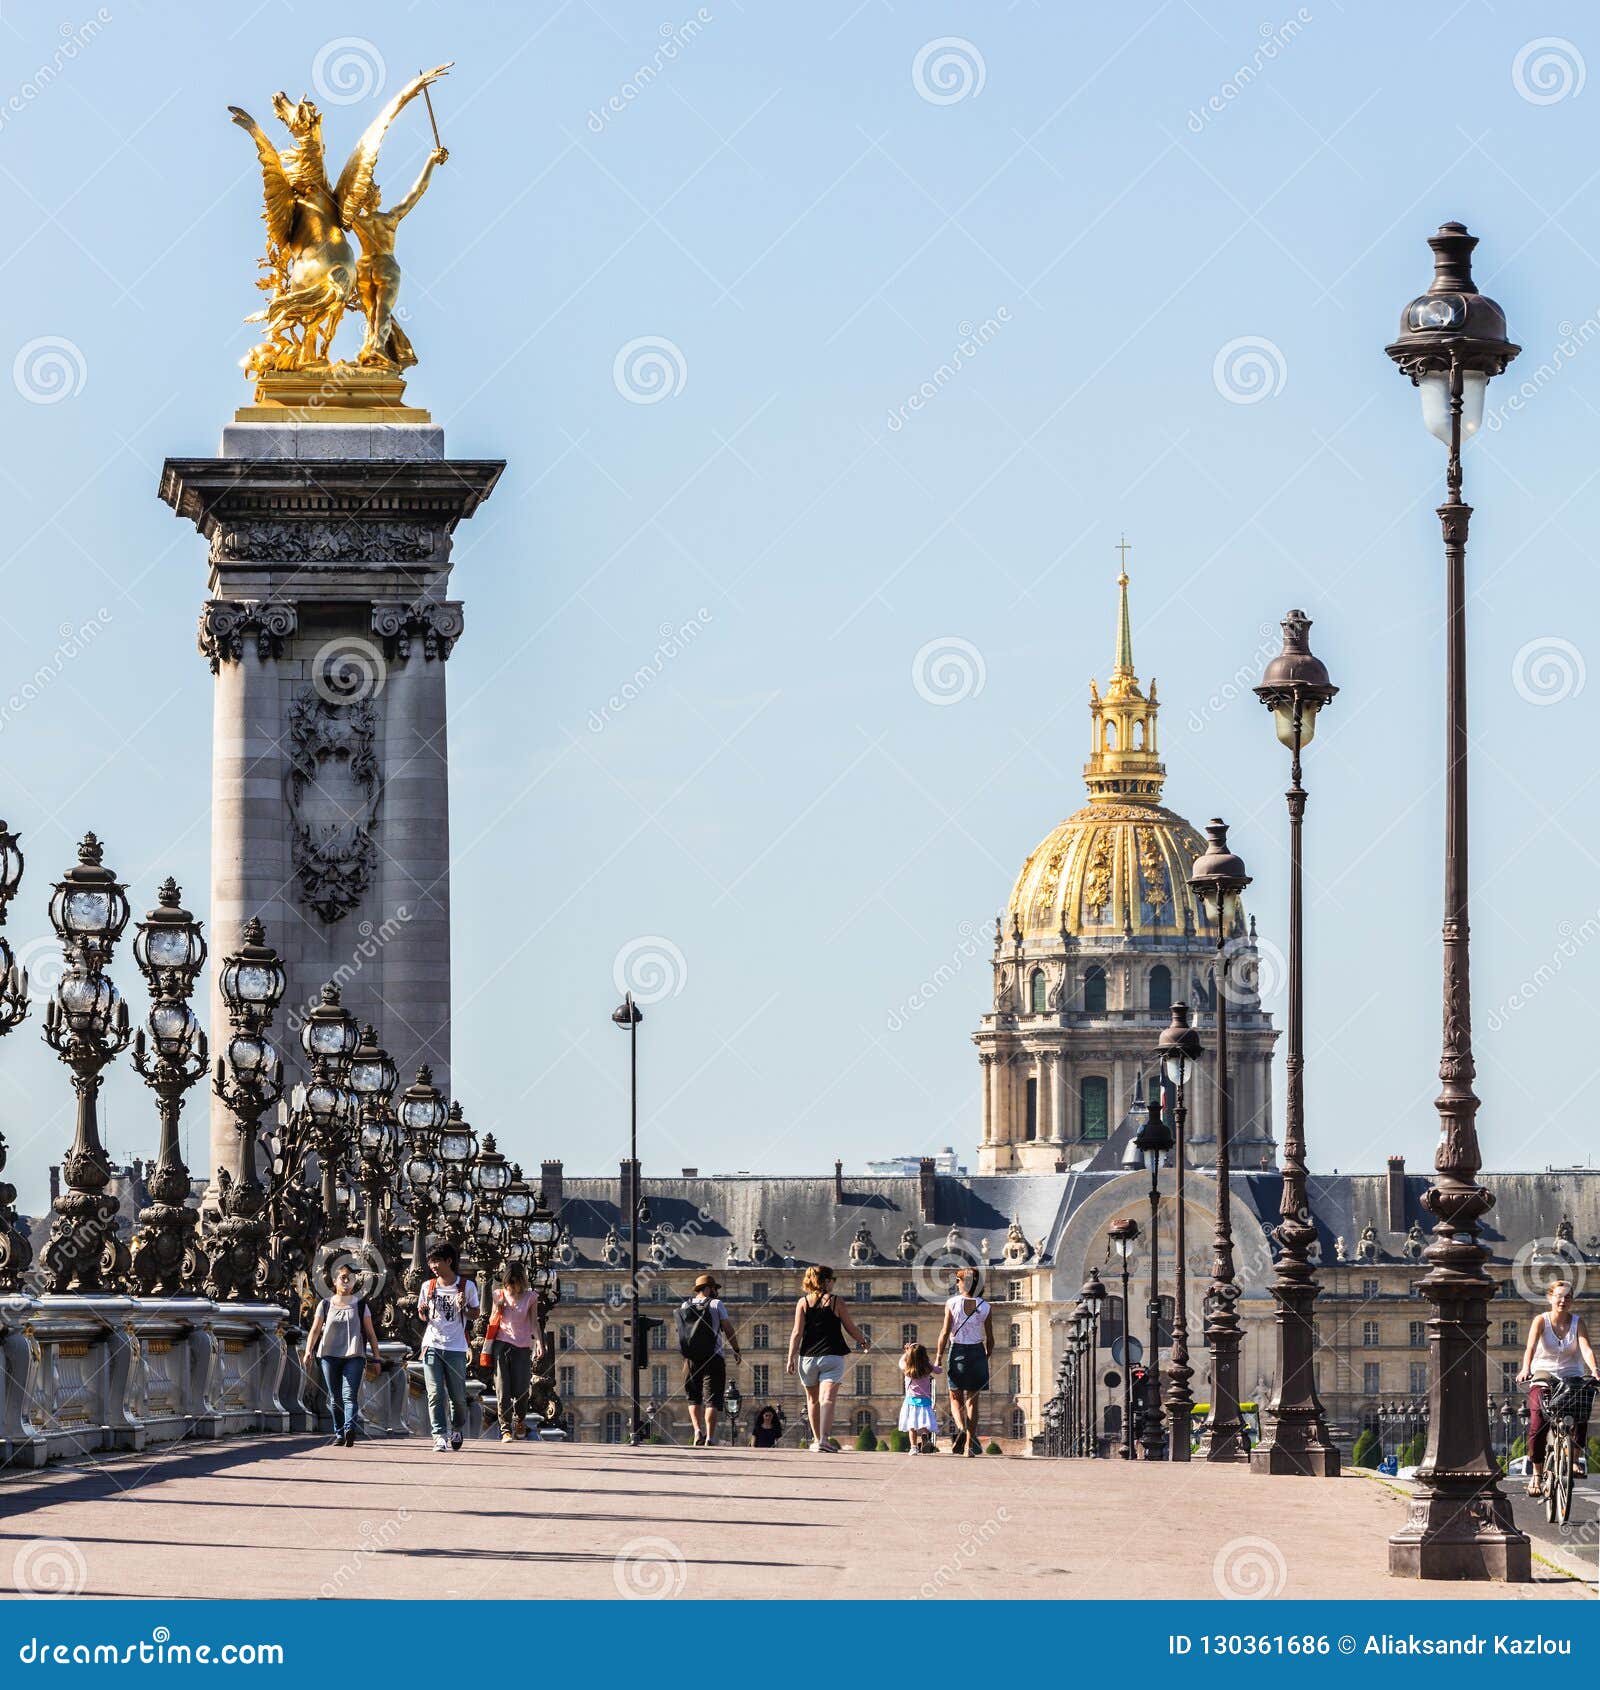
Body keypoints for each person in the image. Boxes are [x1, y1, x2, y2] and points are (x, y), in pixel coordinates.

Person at [1516, 1278, 1599, 1498]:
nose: (1563, 1300)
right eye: (1559, 1296)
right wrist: (1526, 1368)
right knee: (1537, 1422)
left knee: (1582, 1406)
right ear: (1550, 1298)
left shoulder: (1577, 1322)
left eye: (1568, 1297)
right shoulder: (1540, 1320)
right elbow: (1530, 1347)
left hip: (1570, 1373)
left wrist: (1595, 1370)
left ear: (1571, 1301)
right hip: (1543, 1373)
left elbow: (1586, 1349)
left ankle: (1574, 1458)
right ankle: (1536, 1473)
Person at [785, 1265, 869, 1453]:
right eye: (832, 1280)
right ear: (826, 1281)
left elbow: (797, 1332)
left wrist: (791, 1357)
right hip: (832, 1356)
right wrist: (863, 1342)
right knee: (828, 1399)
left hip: (807, 1358)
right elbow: (850, 1327)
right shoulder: (836, 1301)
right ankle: (824, 1439)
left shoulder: (803, 1303)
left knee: (812, 1400)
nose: (833, 1284)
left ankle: (816, 1441)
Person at [302, 1261, 381, 1447]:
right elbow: (315, 1330)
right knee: (335, 1397)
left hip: (354, 1356)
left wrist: (376, 1357)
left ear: (354, 1282)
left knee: (349, 1395)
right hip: (329, 1356)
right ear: (335, 1282)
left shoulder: (361, 1306)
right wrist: (308, 1351)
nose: (346, 1280)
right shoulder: (325, 1304)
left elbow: (370, 1334)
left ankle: (348, 1429)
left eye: (350, 1278)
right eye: (342, 1277)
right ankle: (339, 1433)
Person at [417, 1241, 480, 1452]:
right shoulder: (428, 1286)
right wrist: (423, 1311)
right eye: (430, 1261)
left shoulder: (466, 1286)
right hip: (432, 1344)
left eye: (436, 1261)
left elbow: (476, 1314)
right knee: (435, 1393)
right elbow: (422, 1315)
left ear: (449, 1261)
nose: (433, 1265)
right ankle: (439, 1435)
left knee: (458, 1398)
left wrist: (464, 1307)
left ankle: (457, 1428)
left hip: (456, 1347)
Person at [675, 1272, 741, 1447]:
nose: (716, 1291)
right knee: (712, 1399)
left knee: (693, 1398)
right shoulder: (716, 1304)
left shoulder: (685, 1304)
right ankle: (710, 1438)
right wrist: (736, 1349)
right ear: (708, 1289)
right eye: (714, 1288)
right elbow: (728, 1328)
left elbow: (681, 1332)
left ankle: (697, 1432)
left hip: (690, 1359)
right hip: (714, 1357)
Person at [934, 1266, 993, 1458]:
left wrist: (938, 1357)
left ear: (964, 1283)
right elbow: (990, 1338)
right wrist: (986, 1355)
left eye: (958, 1281)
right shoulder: (985, 1306)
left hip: (957, 1350)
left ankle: (960, 1428)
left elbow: (944, 1332)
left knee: (955, 1398)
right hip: (977, 1352)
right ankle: (969, 1445)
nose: (957, 1284)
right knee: (972, 1402)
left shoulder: (952, 1303)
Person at [481, 1261, 543, 1444]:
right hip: (501, 1344)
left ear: (522, 1282)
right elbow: (492, 1321)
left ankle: (520, 1420)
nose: (512, 1286)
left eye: (515, 1282)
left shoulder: (531, 1297)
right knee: (503, 1388)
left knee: (522, 1388)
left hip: (522, 1347)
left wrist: (539, 1341)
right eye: (509, 1282)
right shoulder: (498, 1295)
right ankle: (505, 1429)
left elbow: (534, 1322)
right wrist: (498, 1309)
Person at [898, 1341, 941, 1454]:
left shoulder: (906, 1368)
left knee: (911, 1426)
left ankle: (913, 1448)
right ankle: (924, 1436)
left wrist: (907, 1352)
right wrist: (937, 1359)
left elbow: (901, 1362)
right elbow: (939, 1370)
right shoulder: (928, 1368)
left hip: (910, 1401)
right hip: (925, 1401)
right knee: (924, 1423)